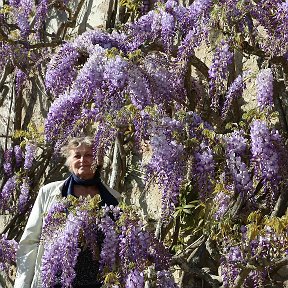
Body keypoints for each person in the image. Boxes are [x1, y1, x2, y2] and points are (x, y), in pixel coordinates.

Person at [14, 136, 121, 288]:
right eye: (77, 155)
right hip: (55, 279)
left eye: (89, 155)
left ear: (99, 160)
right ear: (70, 162)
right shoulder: (49, 192)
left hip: (97, 281)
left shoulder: (113, 198)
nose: (83, 160)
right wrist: (22, 284)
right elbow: (30, 241)